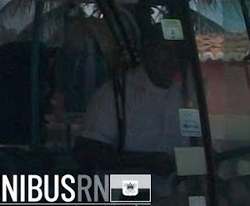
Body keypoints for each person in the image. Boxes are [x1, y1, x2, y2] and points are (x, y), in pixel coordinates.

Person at [77, 11, 187, 157]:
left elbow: (197, 149)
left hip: (178, 180)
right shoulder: (116, 94)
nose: (173, 58)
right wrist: (147, 162)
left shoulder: (187, 97)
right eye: (166, 49)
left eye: (179, 51)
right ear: (148, 50)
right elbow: (87, 151)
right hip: (129, 180)